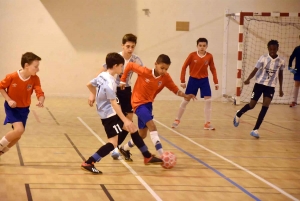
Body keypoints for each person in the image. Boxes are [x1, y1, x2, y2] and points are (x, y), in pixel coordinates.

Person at [82, 52, 162, 174]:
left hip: (108, 112)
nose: (122, 69)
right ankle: (89, 162)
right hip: (109, 115)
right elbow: (114, 103)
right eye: (121, 66)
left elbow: (89, 84)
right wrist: (124, 120)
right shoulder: (110, 82)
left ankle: (147, 156)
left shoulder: (103, 75)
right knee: (113, 143)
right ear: (115, 66)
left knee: (133, 128)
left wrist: (95, 97)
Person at [117, 54, 196, 160]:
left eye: (166, 69)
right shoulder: (145, 72)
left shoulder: (165, 78)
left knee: (142, 135)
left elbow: (175, 89)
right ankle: (162, 155)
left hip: (148, 105)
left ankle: (124, 148)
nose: (164, 71)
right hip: (138, 103)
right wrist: (123, 79)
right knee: (152, 127)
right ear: (156, 64)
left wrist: (185, 95)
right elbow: (130, 65)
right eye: (162, 68)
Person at [89, 33, 143, 160]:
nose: (130, 49)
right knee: (120, 119)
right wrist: (92, 93)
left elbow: (143, 74)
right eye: (128, 46)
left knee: (129, 120)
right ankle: (114, 147)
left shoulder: (136, 60)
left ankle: (117, 147)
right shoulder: (116, 59)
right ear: (122, 46)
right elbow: (98, 75)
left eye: (133, 47)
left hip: (126, 90)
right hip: (113, 90)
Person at [233, 40, 284, 138]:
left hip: (271, 86)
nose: (272, 51)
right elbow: (255, 70)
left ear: (277, 48)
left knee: (265, 106)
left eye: (274, 49)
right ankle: (238, 114)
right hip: (259, 84)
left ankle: (255, 129)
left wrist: (280, 88)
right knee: (252, 105)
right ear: (268, 49)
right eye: (271, 49)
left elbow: (281, 74)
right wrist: (248, 79)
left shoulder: (281, 61)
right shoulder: (263, 58)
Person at [0, 52, 45, 156]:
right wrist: (8, 99)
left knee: (18, 135)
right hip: (12, 108)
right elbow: (1, 87)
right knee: (19, 129)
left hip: (24, 109)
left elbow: (39, 92)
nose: (37, 69)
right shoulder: (12, 76)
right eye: (36, 66)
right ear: (26, 65)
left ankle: (1, 152)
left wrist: (41, 100)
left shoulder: (35, 79)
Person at [171, 38, 219, 130]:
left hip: (204, 80)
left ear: (207, 46)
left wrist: (216, 82)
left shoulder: (209, 56)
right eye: (200, 45)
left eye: (204, 46)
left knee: (208, 100)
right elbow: (184, 67)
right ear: (197, 46)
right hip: (193, 80)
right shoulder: (192, 55)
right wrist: (182, 80)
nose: (202, 47)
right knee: (186, 100)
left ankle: (207, 123)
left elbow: (213, 69)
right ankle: (177, 119)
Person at [288, 35, 300, 107]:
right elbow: (291, 57)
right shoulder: (297, 49)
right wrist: (289, 67)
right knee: (296, 84)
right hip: (298, 70)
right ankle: (294, 101)